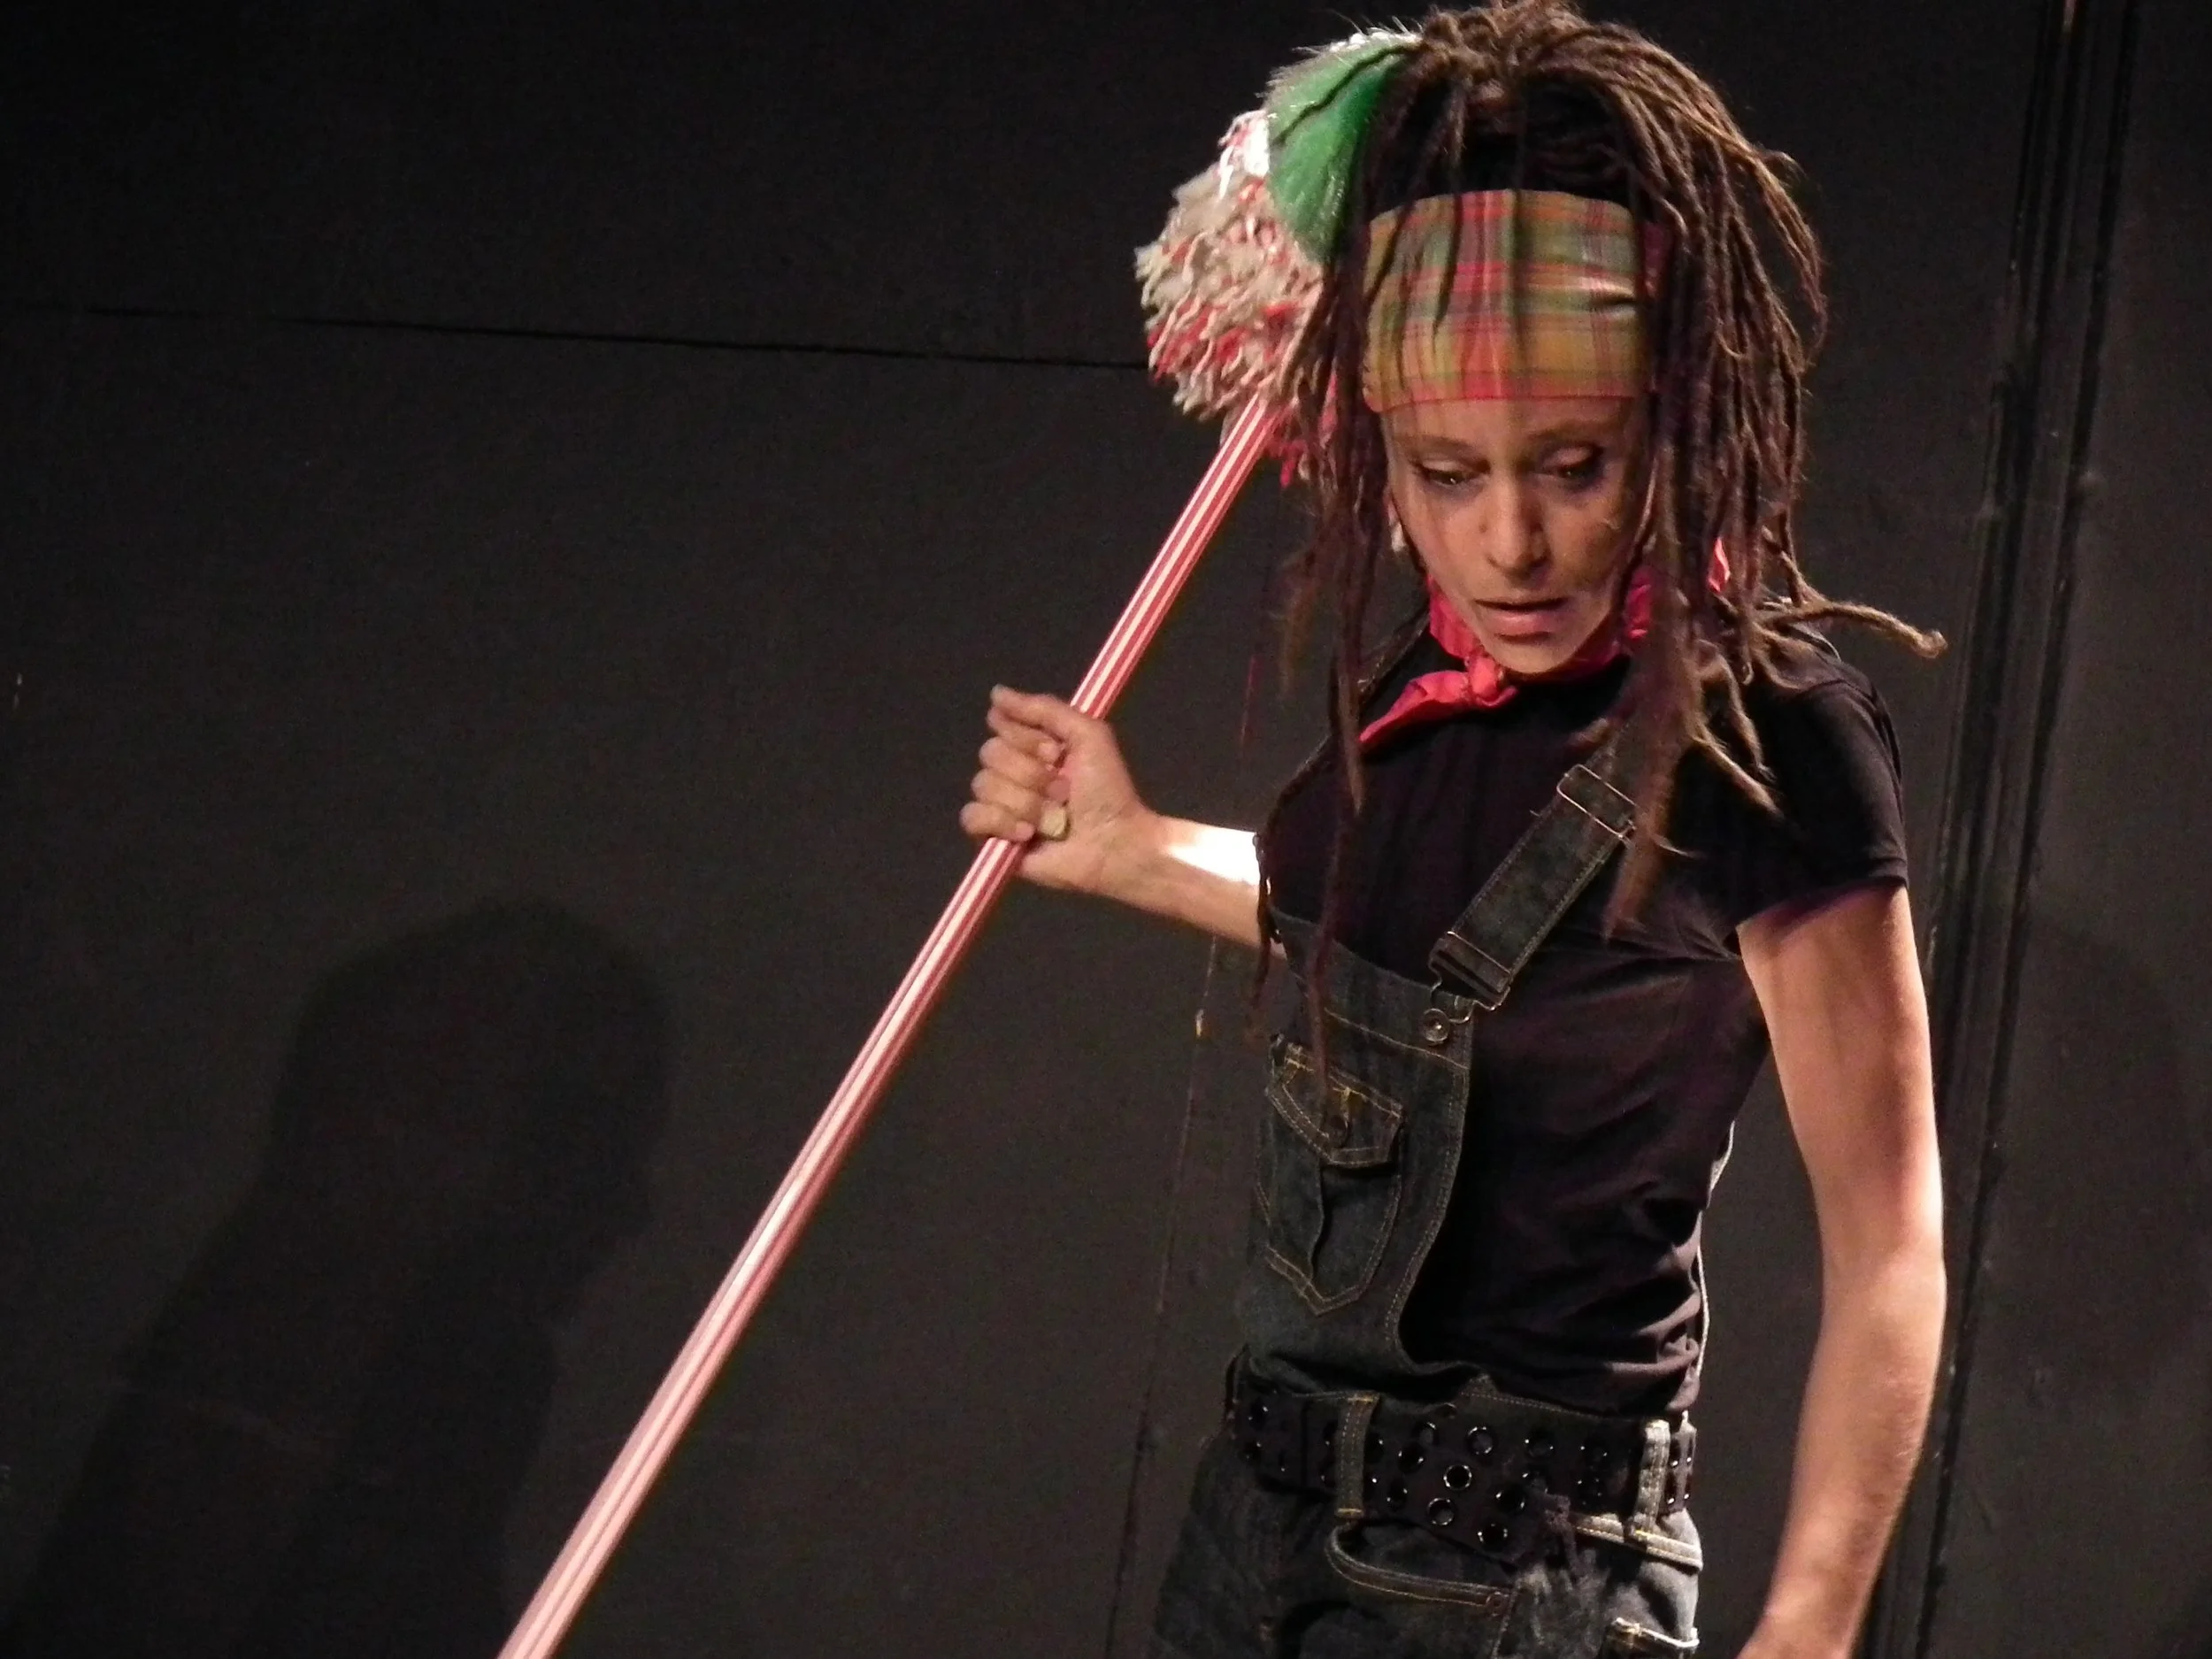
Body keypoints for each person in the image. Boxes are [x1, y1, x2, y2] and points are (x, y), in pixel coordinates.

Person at [961, 4, 1947, 1655]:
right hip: (1254, 1531)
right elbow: (1420, 967)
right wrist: (1132, 850)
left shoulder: (1765, 731)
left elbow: (1891, 1235)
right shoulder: (1428, 679)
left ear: (1672, 420)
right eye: (1446, 472)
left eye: (1573, 465)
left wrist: (1814, 1626)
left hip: (1519, 1580)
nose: (1509, 542)